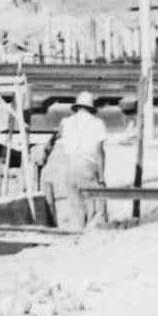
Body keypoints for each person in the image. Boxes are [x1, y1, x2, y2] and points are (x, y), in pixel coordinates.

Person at [44, 93, 110, 232]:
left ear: (77, 107)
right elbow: (100, 152)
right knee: (93, 209)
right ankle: (89, 241)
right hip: (88, 167)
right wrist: (102, 177)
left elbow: (55, 139)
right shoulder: (97, 123)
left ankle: (77, 236)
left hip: (70, 168)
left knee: (76, 209)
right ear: (91, 108)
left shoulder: (66, 122)